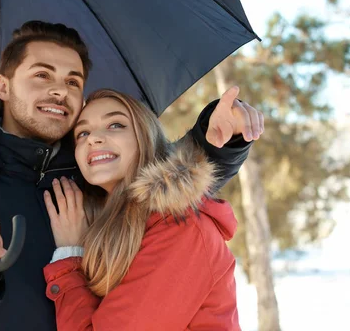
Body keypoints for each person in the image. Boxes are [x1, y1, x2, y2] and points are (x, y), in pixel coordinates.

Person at [0, 21, 263, 331]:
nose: (60, 91)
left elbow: (163, 178)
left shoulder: (94, 176)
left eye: (73, 81)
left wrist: (217, 140)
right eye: (42, 75)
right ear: (3, 86)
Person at [43, 89, 240, 330]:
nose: (93, 138)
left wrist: (69, 259)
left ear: (146, 137)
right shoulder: (110, 224)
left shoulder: (180, 226)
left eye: (115, 124)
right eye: (82, 132)